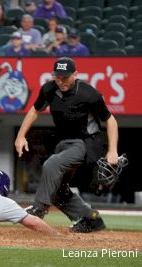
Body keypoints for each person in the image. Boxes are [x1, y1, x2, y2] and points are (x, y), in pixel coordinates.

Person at [14, 57, 120, 233]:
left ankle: (38, 209)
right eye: (58, 77)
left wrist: (113, 150)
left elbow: (111, 121)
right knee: (56, 190)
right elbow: (34, 111)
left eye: (65, 77)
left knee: (51, 164)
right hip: (64, 143)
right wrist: (20, 136)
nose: (61, 81)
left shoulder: (88, 94)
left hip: (86, 142)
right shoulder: (49, 88)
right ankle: (91, 219)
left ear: (75, 75)